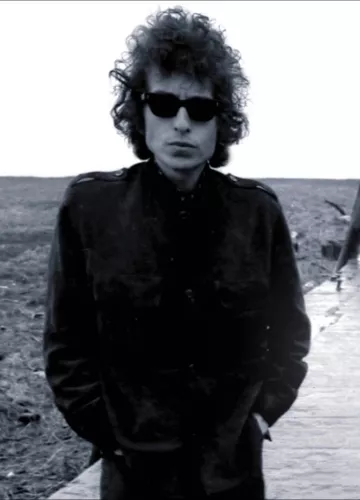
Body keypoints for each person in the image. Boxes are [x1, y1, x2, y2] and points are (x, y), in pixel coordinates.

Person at [42, 7, 311, 500]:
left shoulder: (257, 212)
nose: (182, 123)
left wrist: (259, 415)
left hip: (231, 474)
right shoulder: (89, 208)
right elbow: (66, 342)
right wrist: (108, 432)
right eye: (164, 104)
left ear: (220, 121)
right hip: (133, 474)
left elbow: (289, 332)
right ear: (139, 112)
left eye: (200, 109)